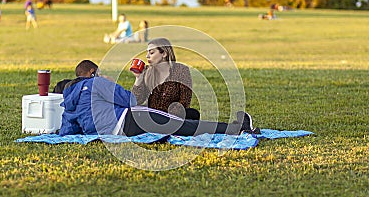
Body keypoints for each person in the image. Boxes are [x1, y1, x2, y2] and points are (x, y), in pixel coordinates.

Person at [59, 60, 258, 137]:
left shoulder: (69, 102)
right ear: (92, 72)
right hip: (132, 119)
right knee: (183, 125)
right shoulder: (95, 83)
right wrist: (109, 82)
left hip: (117, 133)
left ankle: (232, 127)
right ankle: (237, 128)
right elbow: (131, 101)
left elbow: (66, 133)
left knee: (181, 125)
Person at [131, 37, 199, 120]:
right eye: (147, 53)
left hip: (173, 117)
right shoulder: (147, 72)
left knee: (192, 113)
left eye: (151, 53)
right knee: (132, 111)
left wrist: (165, 118)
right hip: (152, 115)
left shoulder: (181, 70)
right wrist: (139, 78)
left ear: (164, 54)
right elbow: (135, 101)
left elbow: (184, 101)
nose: (147, 56)